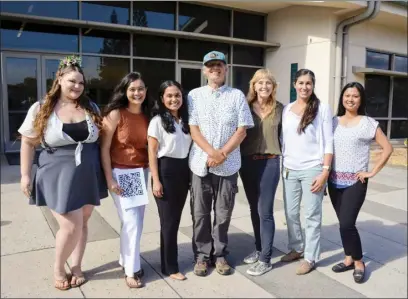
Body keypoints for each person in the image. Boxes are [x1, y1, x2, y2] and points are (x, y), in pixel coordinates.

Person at [19, 55, 108, 290]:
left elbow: (101, 142)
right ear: (59, 79)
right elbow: (28, 143)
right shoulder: (41, 108)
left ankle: (77, 266)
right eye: (72, 81)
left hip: (88, 171)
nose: (77, 86)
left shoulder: (91, 107)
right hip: (57, 173)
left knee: (84, 222)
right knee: (70, 226)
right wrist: (25, 175)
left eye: (80, 82)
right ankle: (59, 268)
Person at [188, 50, 254, 277]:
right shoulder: (194, 95)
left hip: (228, 164)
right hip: (200, 163)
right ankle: (202, 255)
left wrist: (222, 153)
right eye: (210, 65)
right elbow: (193, 128)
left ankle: (220, 254)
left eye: (219, 65)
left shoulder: (236, 96)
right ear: (204, 70)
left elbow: (242, 129)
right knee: (200, 213)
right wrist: (210, 153)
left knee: (223, 213)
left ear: (226, 69)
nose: (215, 69)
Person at [329, 82, 392, 283]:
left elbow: (387, 148)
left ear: (361, 99)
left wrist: (372, 171)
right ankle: (348, 258)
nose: (350, 99)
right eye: (347, 95)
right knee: (343, 224)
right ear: (342, 98)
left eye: (355, 96)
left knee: (348, 223)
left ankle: (358, 261)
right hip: (333, 182)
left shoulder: (368, 123)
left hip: (356, 182)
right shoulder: (332, 122)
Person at [280, 69, 333, 275]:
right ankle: (297, 247)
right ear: (294, 84)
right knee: (291, 213)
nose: (304, 87)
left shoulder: (322, 109)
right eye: (300, 83)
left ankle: (310, 257)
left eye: (308, 83)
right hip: (289, 168)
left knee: (312, 215)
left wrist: (325, 171)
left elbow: (329, 141)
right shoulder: (287, 109)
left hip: (313, 169)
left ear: (313, 85)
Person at [100, 72, 150, 288]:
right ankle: (131, 270)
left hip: (142, 172)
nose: (137, 93)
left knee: (133, 222)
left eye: (140, 89)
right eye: (132, 89)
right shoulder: (115, 114)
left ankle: (125, 259)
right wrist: (109, 178)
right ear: (125, 91)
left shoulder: (148, 115)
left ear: (146, 91)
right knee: (132, 223)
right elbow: (103, 148)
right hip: (122, 172)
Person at [239, 69, 283, 276]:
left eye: (268, 83)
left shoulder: (281, 109)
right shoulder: (244, 107)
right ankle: (259, 248)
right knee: (253, 208)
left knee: (265, 211)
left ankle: (266, 259)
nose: (264, 86)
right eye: (260, 83)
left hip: (271, 162)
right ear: (253, 86)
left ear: (273, 87)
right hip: (247, 163)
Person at [147, 80, 192, 281]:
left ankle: (167, 262)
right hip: (166, 172)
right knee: (169, 222)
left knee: (173, 220)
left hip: (184, 171)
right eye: (169, 96)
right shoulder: (157, 121)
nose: (174, 99)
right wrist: (156, 180)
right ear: (162, 99)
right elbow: (152, 153)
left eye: (177, 95)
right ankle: (170, 267)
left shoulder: (185, 120)